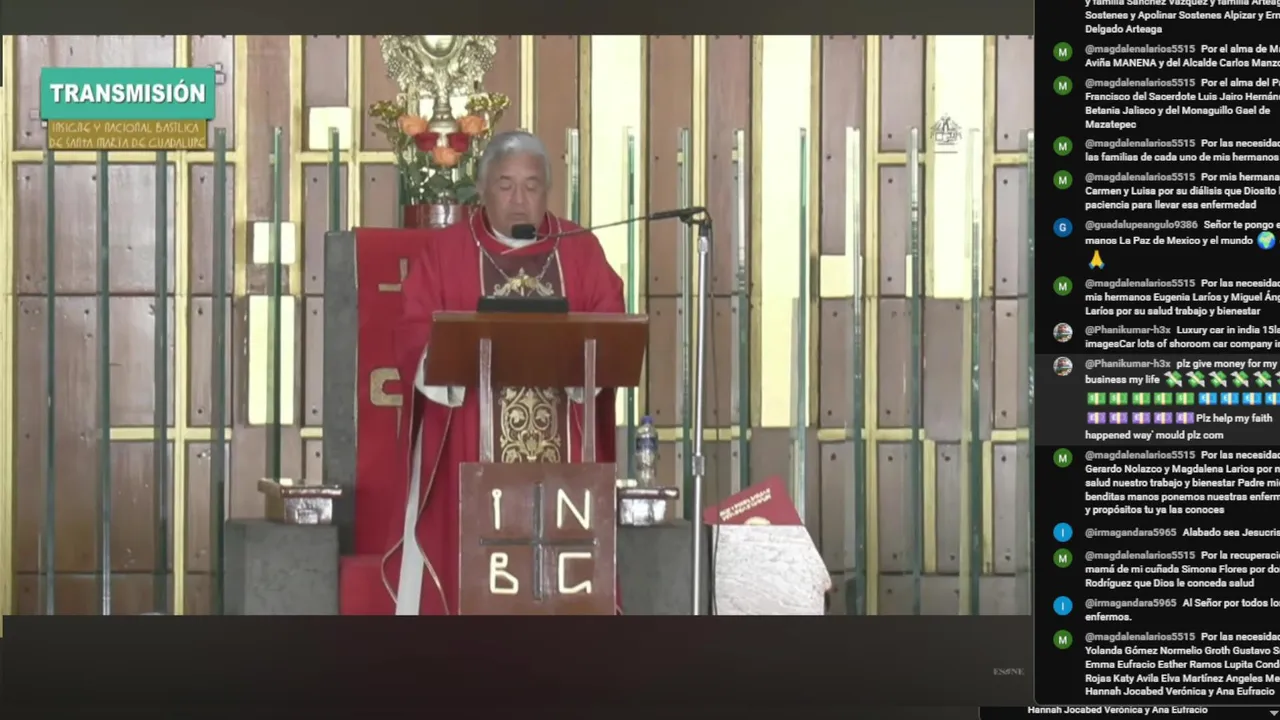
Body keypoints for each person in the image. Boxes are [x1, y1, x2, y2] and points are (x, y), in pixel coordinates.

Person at [380, 130, 625, 615]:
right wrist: (446, 358)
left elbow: (611, 322)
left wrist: (582, 368)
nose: (518, 200)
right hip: (471, 446)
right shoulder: (448, 252)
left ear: (547, 191)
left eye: (531, 186)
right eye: (506, 185)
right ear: (482, 189)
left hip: (563, 456)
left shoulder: (579, 249)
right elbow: (413, 329)